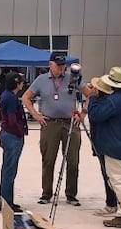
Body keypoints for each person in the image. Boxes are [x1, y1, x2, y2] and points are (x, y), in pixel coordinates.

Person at [83, 67, 121, 229]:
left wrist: (94, 97)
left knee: (118, 182)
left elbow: (95, 115)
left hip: (114, 146)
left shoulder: (113, 101)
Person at [21, 53, 83, 206]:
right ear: (50, 65)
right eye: (58, 65)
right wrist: (36, 115)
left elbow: (90, 96)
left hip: (70, 123)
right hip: (50, 124)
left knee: (73, 160)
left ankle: (71, 194)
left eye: (63, 65)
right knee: (48, 159)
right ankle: (46, 193)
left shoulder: (73, 78)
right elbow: (25, 97)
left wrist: (82, 114)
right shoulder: (41, 80)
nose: (61, 68)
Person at [86, 77, 121, 217]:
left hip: (105, 143)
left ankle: (112, 203)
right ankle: (114, 201)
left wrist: (92, 98)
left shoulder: (104, 104)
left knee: (110, 175)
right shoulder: (106, 102)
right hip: (101, 142)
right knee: (108, 174)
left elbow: (94, 116)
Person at [0, 72, 27, 213]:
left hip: (8, 135)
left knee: (8, 169)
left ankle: (7, 200)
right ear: (17, 83)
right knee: (9, 170)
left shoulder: (6, 95)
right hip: (12, 136)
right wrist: (20, 132)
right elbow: (12, 120)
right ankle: (6, 203)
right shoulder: (10, 98)